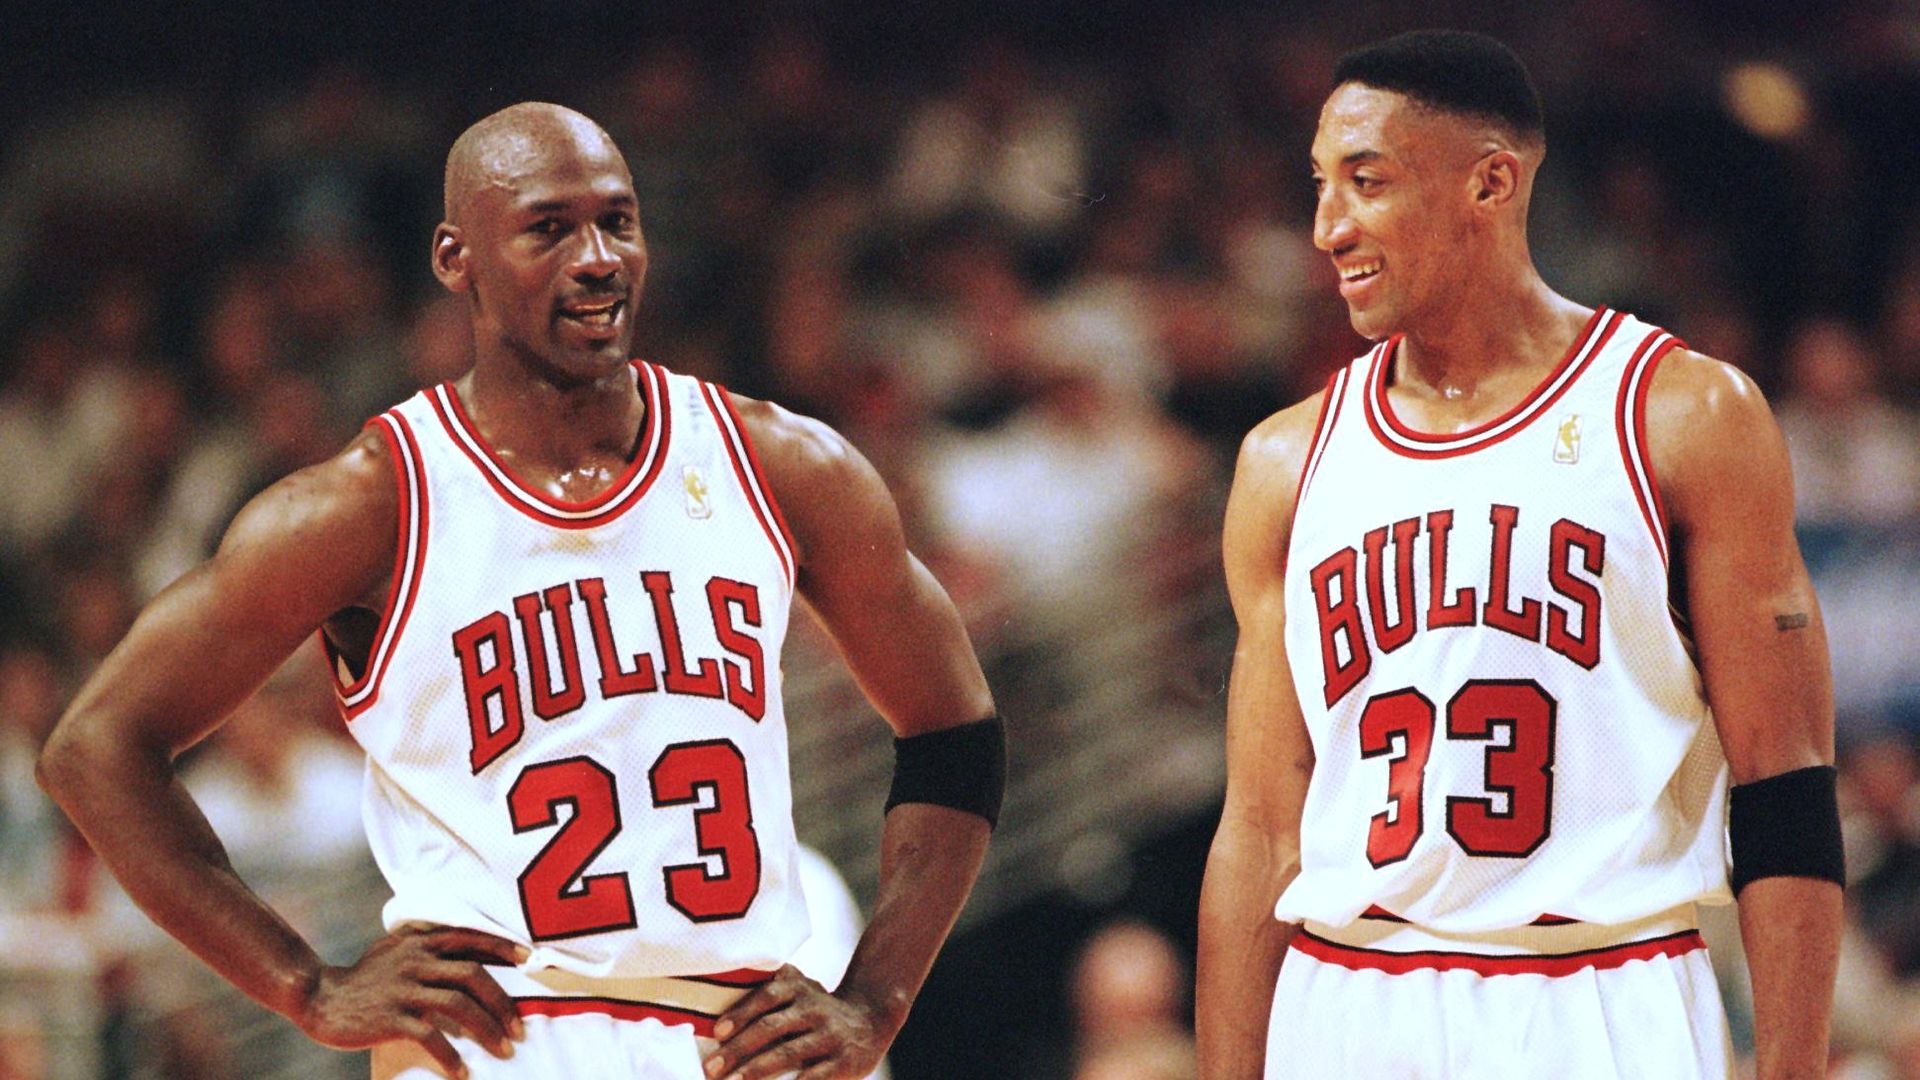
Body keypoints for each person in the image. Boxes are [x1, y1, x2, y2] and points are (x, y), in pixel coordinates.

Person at [38, 102, 1005, 1080]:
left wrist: (876, 999)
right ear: (456, 259)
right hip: (496, 1035)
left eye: (618, 222)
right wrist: (307, 987)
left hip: (731, 1036)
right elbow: (96, 748)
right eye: (550, 228)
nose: (597, 257)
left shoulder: (783, 466)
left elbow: (953, 730)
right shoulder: (367, 506)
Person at [1196, 31, 1842, 1079]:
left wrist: (1793, 1068)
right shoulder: (1284, 459)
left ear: (1490, 182)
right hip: (1347, 996)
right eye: (1320, 185)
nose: (1326, 227)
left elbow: (1785, 782)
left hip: (1602, 987)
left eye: (1366, 182)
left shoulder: (1683, 415)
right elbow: (1261, 833)